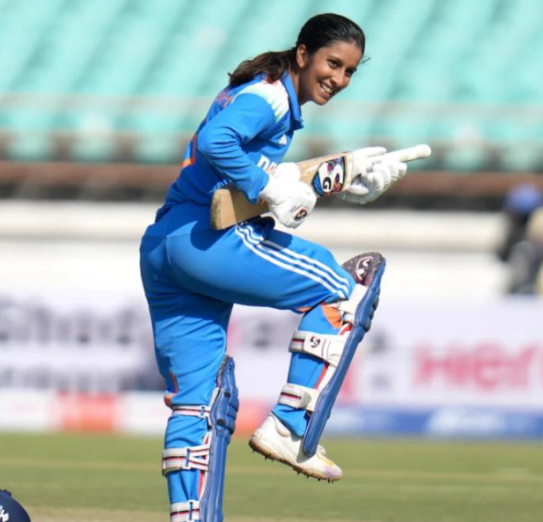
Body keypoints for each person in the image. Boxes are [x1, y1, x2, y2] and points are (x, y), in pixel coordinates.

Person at [139, 14, 409, 522]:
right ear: (303, 54)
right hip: (206, 237)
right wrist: (267, 187)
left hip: (166, 245)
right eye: (333, 63)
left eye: (350, 71)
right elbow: (219, 142)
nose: (339, 79)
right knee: (343, 287)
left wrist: (340, 177)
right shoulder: (271, 95)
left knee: (198, 401)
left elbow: (256, 173)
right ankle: (289, 424)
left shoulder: (267, 91)